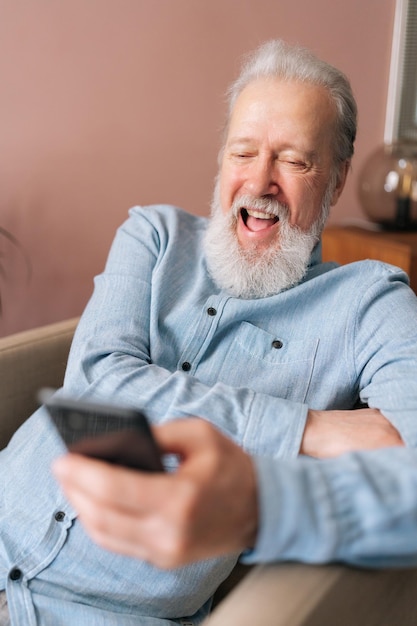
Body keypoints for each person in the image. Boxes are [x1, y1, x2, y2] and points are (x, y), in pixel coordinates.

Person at [0, 38, 417, 626]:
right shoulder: (153, 236)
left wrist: (265, 505)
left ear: (339, 177)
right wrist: (308, 429)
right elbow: (94, 384)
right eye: (243, 152)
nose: (260, 181)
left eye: (293, 160)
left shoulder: (369, 304)